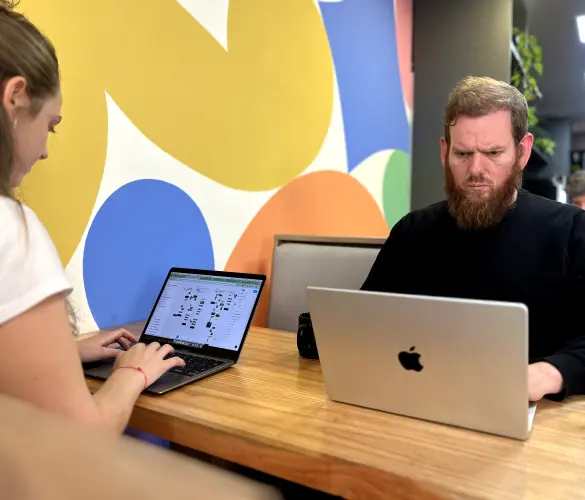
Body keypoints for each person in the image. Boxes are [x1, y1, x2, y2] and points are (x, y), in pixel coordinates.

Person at [0, 0, 184, 433]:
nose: (46, 149)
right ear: (15, 97)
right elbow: (80, 445)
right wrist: (131, 373)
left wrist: (65, 354)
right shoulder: (12, 232)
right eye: (51, 125)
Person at [361, 76, 585, 403]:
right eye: (463, 153)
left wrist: (548, 373)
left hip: (530, 419)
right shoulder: (412, 232)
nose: (476, 169)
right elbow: (364, 324)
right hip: (418, 401)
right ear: (444, 152)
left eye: (493, 153)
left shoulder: (572, 232)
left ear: (522, 152)